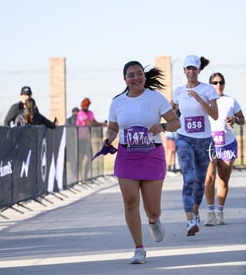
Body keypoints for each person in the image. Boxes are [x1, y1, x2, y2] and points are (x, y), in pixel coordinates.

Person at [104, 61, 180, 264]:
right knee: (130, 203)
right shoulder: (117, 102)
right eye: (131, 75)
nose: (136, 78)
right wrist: (108, 139)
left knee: (152, 209)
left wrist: (163, 127)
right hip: (127, 156)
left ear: (144, 76)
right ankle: (139, 248)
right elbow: (112, 128)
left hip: (151, 156)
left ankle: (154, 220)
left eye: (139, 74)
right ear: (125, 79)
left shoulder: (155, 98)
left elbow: (176, 122)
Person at [171, 55, 219, 237]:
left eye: (194, 69)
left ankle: (196, 211)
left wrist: (200, 99)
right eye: (188, 68)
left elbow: (214, 115)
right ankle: (190, 220)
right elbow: (171, 111)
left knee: (200, 181)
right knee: (188, 178)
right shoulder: (178, 91)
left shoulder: (208, 90)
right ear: (184, 71)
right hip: (184, 138)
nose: (191, 72)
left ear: (199, 71)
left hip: (205, 141)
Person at [203, 72, 245, 226]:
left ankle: (220, 211)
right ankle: (210, 212)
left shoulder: (231, 101)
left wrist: (235, 119)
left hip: (227, 144)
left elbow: (242, 120)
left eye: (221, 82)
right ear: (210, 85)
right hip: (209, 144)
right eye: (215, 82)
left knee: (223, 180)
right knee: (209, 177)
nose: (218, 85)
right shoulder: (205, 101)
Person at [76, 98, 106, 179]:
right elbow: (88, 123)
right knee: (81, 158)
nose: (85, 107)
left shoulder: (90, 113)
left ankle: (86, 176)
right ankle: (79, 176)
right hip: (80, 138)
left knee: (90, 157)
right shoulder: (80, 113)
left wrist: (101, 124)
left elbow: (94, 121)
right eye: (84, 105)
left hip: (87, 138)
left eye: (86, 105)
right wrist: (97, 124)